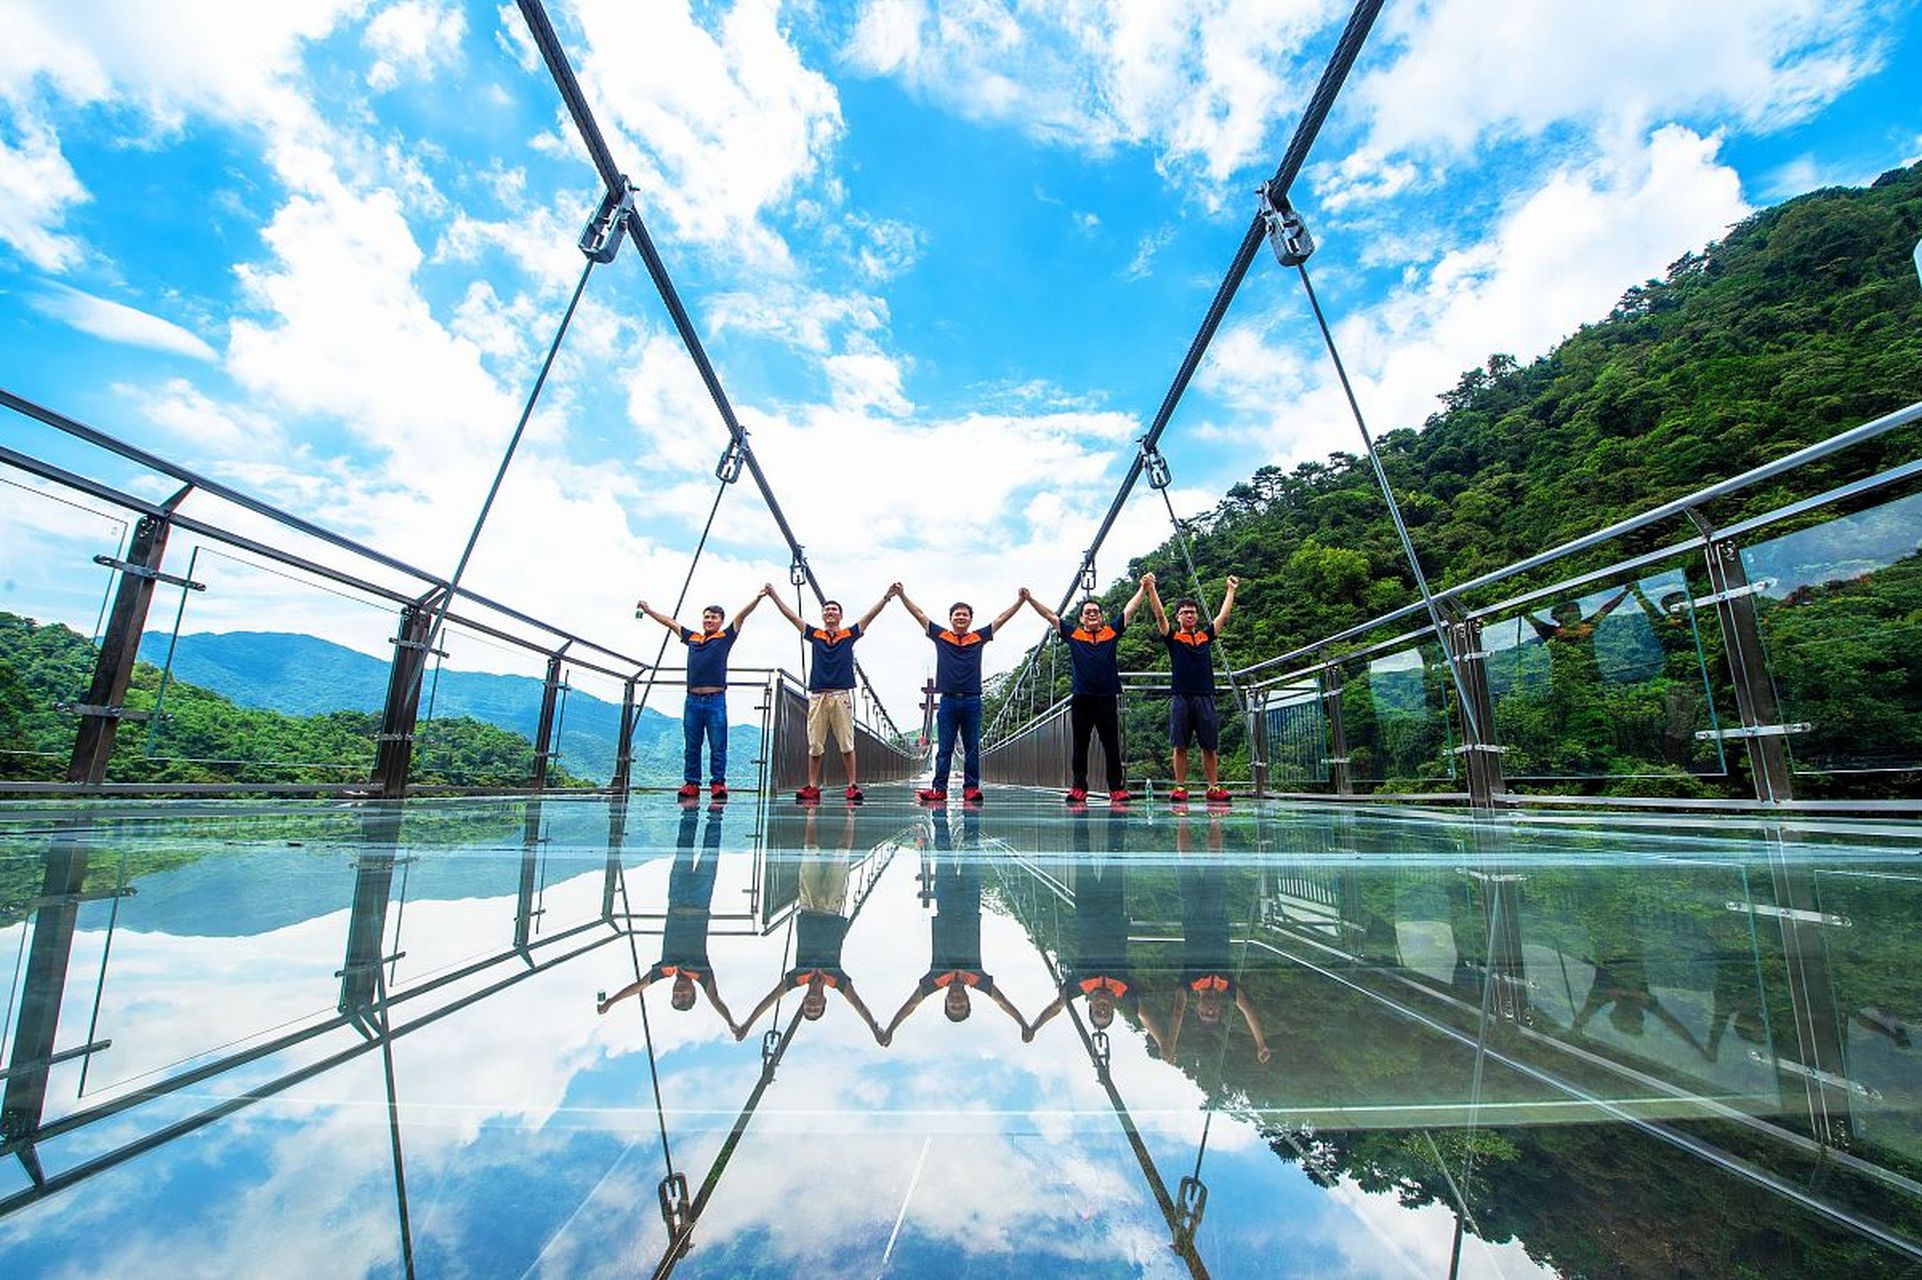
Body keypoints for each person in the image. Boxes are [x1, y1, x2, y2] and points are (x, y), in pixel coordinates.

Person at [736, 807, 888, 1043]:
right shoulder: (836, 979)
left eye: (809, 1007)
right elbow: (858, 1004)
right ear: (824, 1001)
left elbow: (769, 999)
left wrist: (747, 1024)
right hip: (831, 908)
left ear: (804, 1001)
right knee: (842, 855)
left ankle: (811, 812)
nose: (812, 1004)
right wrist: (875, 1028)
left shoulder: (797, 978)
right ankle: (850, 814)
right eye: (816, 1008)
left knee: (809, 852)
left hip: (808, 907)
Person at [884, 809, 1029, 1035]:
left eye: (953, 1006)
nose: (957, 1002)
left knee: (943, 849)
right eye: (961, 1006)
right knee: (972, 849)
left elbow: (911, 1006)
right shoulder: (978, 980)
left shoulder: (934, 980)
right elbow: (1003, 1002)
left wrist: (891, 1029)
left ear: (946, 1002)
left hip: (947, 902)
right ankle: (971, 807)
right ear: (968, 1002)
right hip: (970, 903)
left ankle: (939, 810)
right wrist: (1023, 1024)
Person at [596, 804, 738, 1030]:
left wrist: (611, 1002)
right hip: (701, 902)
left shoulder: (664, 970)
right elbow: (715, 1000)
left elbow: (637, 987)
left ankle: (690, 810)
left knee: (683, 849)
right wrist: (731, 1022)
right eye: (684, 996)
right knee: (710, 852)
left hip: (677, 900)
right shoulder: (702, 974)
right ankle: (716, 812)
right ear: (693, 992)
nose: (679, 992)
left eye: (675, 996)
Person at [1023, 575, 1149, 803]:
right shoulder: (1074, 634)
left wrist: (1143, 588)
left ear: (1101, 617)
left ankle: (1116, 789)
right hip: (1082, 698)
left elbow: (1129, 609)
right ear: (1081, 618)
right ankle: (1079, 787)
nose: (1092, 614)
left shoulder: (1111, 632)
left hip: (1107, 697)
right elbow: (1050, 616)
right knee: (1080, 745)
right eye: (1088, 612)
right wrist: (1030, 599)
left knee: (1111, 745)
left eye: (1096, 612)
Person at [635, 587, 769, 800]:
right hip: (692, 700)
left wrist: (758, 598)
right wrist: (649, 611)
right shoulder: (693, 638)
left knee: (718, 744)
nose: (709, 620)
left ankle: (718, 783)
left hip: (716, 700)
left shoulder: (725, 636)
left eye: (714, 617)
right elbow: (670, 623)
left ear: (721, 621)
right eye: (706, 617)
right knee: (692, 745)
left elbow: (741, 616)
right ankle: (691, 783)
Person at [894, 584, 1023, 803]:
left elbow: (1002, 618)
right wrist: (902, 595)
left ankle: (971, 789)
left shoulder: (978, 637)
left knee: (972, 748)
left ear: (971, 619)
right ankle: (939, 790)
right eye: (957, 614)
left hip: (972, 700)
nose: (961, 617)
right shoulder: (942, 636)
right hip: (948, 701)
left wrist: (1020, 601)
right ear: (951, 618)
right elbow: (919, 615)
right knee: (944, 748)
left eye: (965, 614)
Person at [767, 586, 894, 804]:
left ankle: (852, 786)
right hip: (818, 696)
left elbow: (870, 617)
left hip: (841, 695)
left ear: (841, 616)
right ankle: (812, 786)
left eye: (834, 609)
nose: (830, 612)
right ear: (822, 615)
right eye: (827, 610)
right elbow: (792, 617)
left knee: (847, 743)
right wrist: (774, 596)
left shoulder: (848, 635)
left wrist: (886, 597)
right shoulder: (815, 634)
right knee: (815, 744)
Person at [1165, 812, 1271, 1063]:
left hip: (1192, 915)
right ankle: (1215, 818)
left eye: (1206, 1013)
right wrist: (1260, 1043)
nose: (1211, 1010)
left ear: (1198, 1008)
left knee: (1185, 860)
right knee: (1216, 861)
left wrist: (1170, 1043)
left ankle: (1182, 817)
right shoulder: (1227, 984)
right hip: (1217, 914)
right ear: (1222, 1009)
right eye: (1215, 1014)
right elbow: (1247, 1009)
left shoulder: (1188, 983)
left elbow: (1177, 1011)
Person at [1144, 574, 1239, 803]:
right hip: (1181, 696)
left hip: (1205, 695)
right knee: (1180, 745)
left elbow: (1223, 616)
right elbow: (1159, 615)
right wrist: (1151, 589)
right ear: (1178, 617)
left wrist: (1231, 590)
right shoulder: (1173, 637)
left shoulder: (1205, 637)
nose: (1189, 615)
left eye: (1193, 612)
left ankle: (1213, 787)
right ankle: (1180, 787)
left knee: (1209, 745)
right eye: (1185, 612)